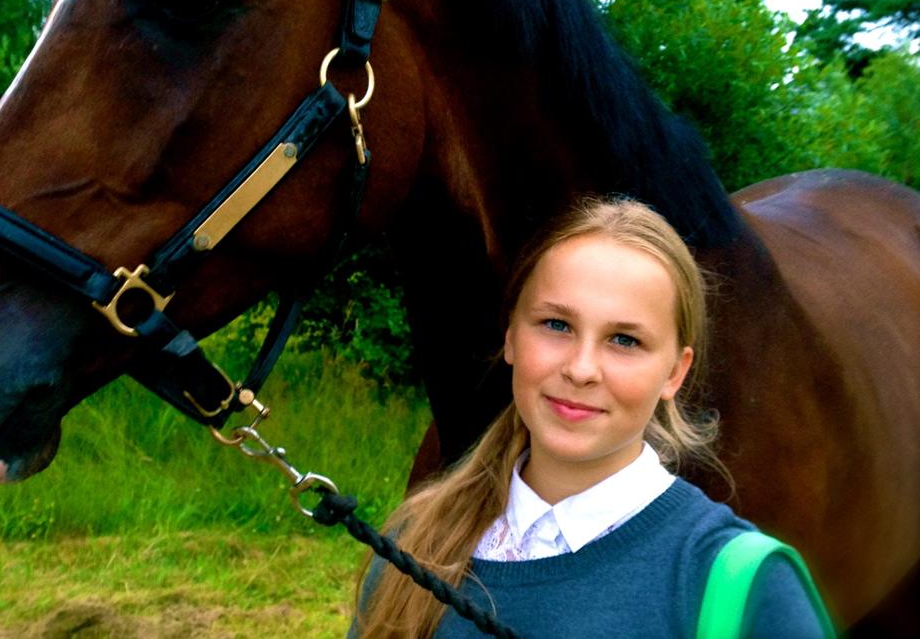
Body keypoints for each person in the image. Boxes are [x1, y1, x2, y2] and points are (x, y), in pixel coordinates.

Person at [351, 197, 832, 638]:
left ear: (674, 373)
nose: (581, 369)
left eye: (625, 340)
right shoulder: (414, 542)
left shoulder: (739, 584)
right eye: (556, 325)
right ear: (511, 337)